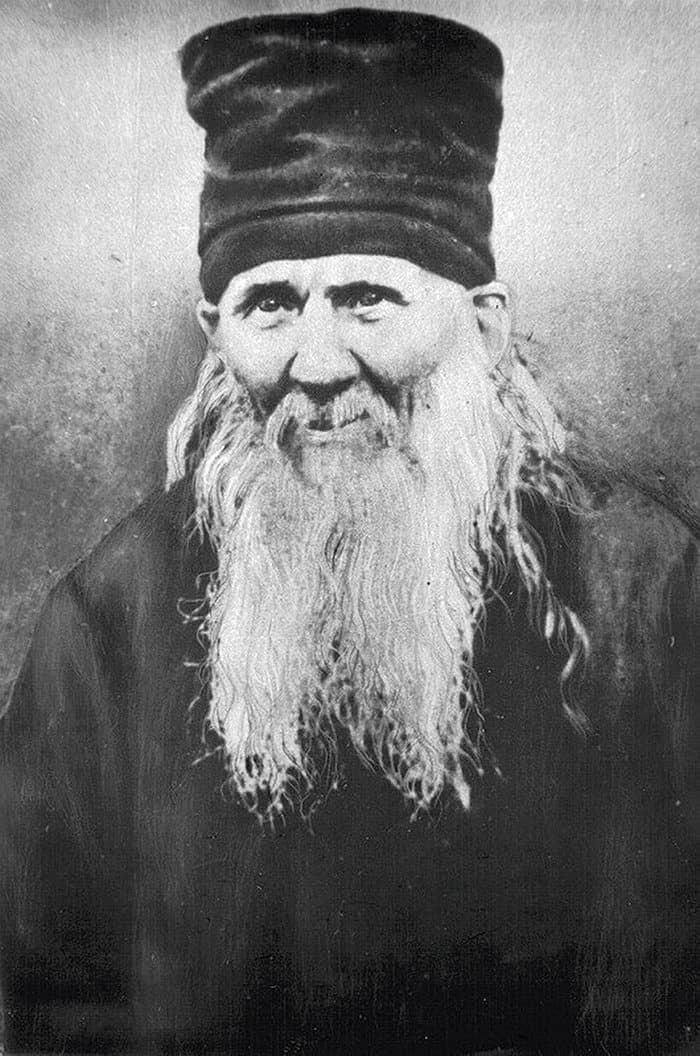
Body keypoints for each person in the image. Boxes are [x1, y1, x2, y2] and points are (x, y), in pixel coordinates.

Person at [0, 10, 695, 1056]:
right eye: (270, 305)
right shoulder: (112, 616)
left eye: (368, 298)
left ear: (486, 323)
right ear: (214, 333)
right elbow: (51, 1001)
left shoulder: (644, 584)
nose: (317, 365)